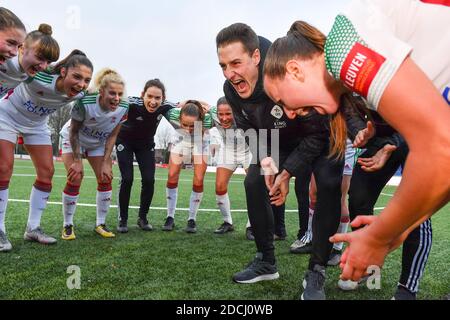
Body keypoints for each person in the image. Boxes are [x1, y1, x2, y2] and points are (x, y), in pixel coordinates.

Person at [263, 2, 450, 282]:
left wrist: (377, 238)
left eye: (281, 100)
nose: (288, 113)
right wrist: (397, 229)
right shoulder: (354, 93)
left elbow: (439, 149)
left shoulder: (342, 49)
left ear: (294, 70)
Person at [216, 24, 343, 293]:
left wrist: (287, 172)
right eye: (223, 66)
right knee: (253, 182)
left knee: (329, 183)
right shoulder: (231, 89)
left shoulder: (285, 67)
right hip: (277, 141)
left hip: (319, 135)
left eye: (236, 63)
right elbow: (248, 128)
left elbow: (317, 134)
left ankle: (317, 269)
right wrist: (266, 161)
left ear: (256, 57)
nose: (230, 74)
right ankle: (266, 261)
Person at [0, 44, 93, 251]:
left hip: (37, 124)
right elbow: (16, 68)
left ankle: (33, 228)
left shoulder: (79, 96)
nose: (81, 84)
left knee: (46, 172)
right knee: (3, 168)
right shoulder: (38, 76)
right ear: (63, 72)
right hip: (6, 116)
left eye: (87, 80)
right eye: (77, 77)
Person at [337, 103, 432, 300]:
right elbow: (349, 110)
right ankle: (367, 266)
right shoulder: (344, 79)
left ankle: (407, 288)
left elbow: (421, 115)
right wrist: (361, 133)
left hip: (422, 137)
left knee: (417, 208)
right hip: (382, 140)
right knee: (359, 194)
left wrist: (393, 142)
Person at [60, 68, 128, 240]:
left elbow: (113, 135)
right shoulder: (85, 102)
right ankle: (67, 224)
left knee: (105, 177)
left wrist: (106, 161)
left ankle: (101, 223)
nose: (117, 98)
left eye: (120, 93)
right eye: (112, 93)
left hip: (97, 143)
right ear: (102, 91)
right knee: (75, 176)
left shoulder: (124, 107)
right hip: (74, 139)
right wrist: (77, 160)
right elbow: (73, 132)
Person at [115, 79, 175, 233]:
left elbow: (185, 104)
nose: (153, 101)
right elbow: (112, 99)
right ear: (143, 95)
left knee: (149, 180)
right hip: (125, 142)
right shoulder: (131, 103)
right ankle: (123, 219)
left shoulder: (165, 106)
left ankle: (142, 218)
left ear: (162, 99)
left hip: (145, 145)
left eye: (157, 98)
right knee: (127, 179)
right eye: (149, 96)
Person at [163, 100, 213, 233]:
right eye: (184, 124)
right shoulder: (173, 114)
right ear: (179, 118)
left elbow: (216, 110)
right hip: (181, 140)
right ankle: (170, 217)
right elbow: (164, 104)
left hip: (200, 143)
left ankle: (192, 219)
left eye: (193, 126)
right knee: (172, 175)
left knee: (198, 178)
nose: (188, 129)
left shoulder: (208, 119)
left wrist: (207, 106)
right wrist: (183, 102)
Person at [0, 24, 57, 98]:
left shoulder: (28, 74)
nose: (43, 67)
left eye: (48, 62)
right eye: (40, 58)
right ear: (22, 48)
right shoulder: (5, 58)